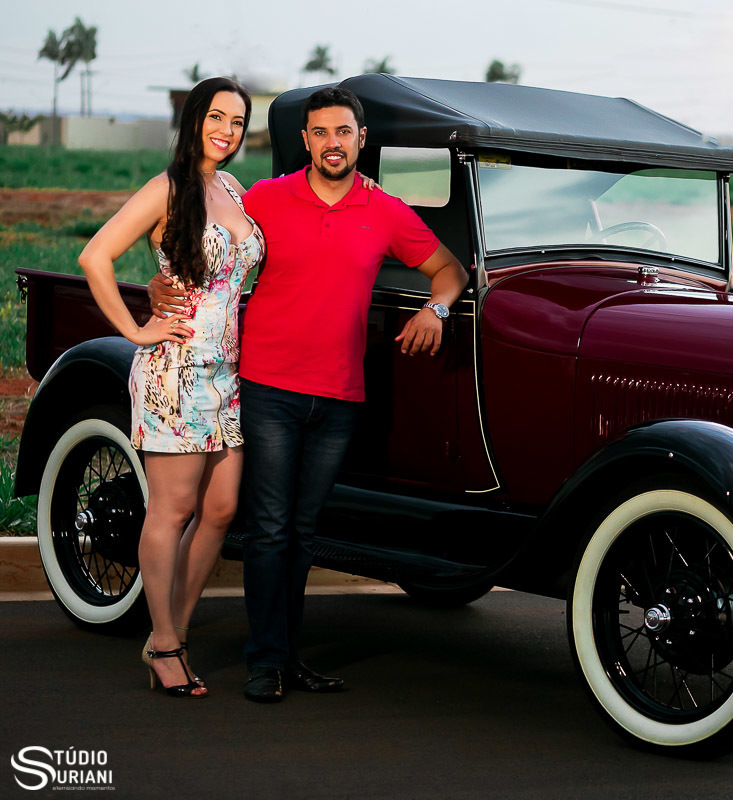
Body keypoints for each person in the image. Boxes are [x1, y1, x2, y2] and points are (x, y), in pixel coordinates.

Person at [149, 86, 469, 702]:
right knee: (268, 526)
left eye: (343, 132)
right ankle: (264, 663)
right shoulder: (264, 198)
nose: (332, 143)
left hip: (340, 395)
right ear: (305, 141)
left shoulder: (385, 210)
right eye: (320, 133)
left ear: (360, 138)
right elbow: (186, 239)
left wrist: (436, 309)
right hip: (268, 385)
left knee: (302, 529)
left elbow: (450, 270)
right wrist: (156, 288)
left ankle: (288, 657)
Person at [79, 77, 260, 698]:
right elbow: (95, 256)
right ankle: (165, 644)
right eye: (217, 117)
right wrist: (136, 326)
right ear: (193, 119)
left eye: (237, 121)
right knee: (172, 510)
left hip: (226, 374)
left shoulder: (232, 188)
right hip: (176, 370)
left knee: (221, 509)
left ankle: (170, 635)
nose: (227, 131)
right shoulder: (168, 188)